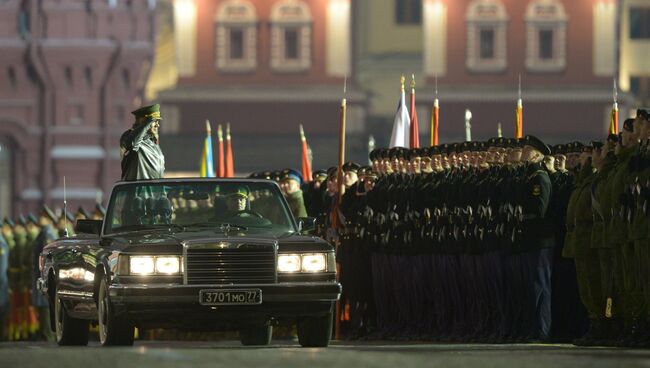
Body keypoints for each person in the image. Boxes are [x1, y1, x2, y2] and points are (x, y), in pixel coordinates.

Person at [120, 103, 165, 181]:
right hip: (137, 192)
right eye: (155, 121)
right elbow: (132, 144)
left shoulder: (153, 143)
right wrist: (147, 123)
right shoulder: (128, 136)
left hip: (155, 192)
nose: (158, 125)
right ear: (143, 121)